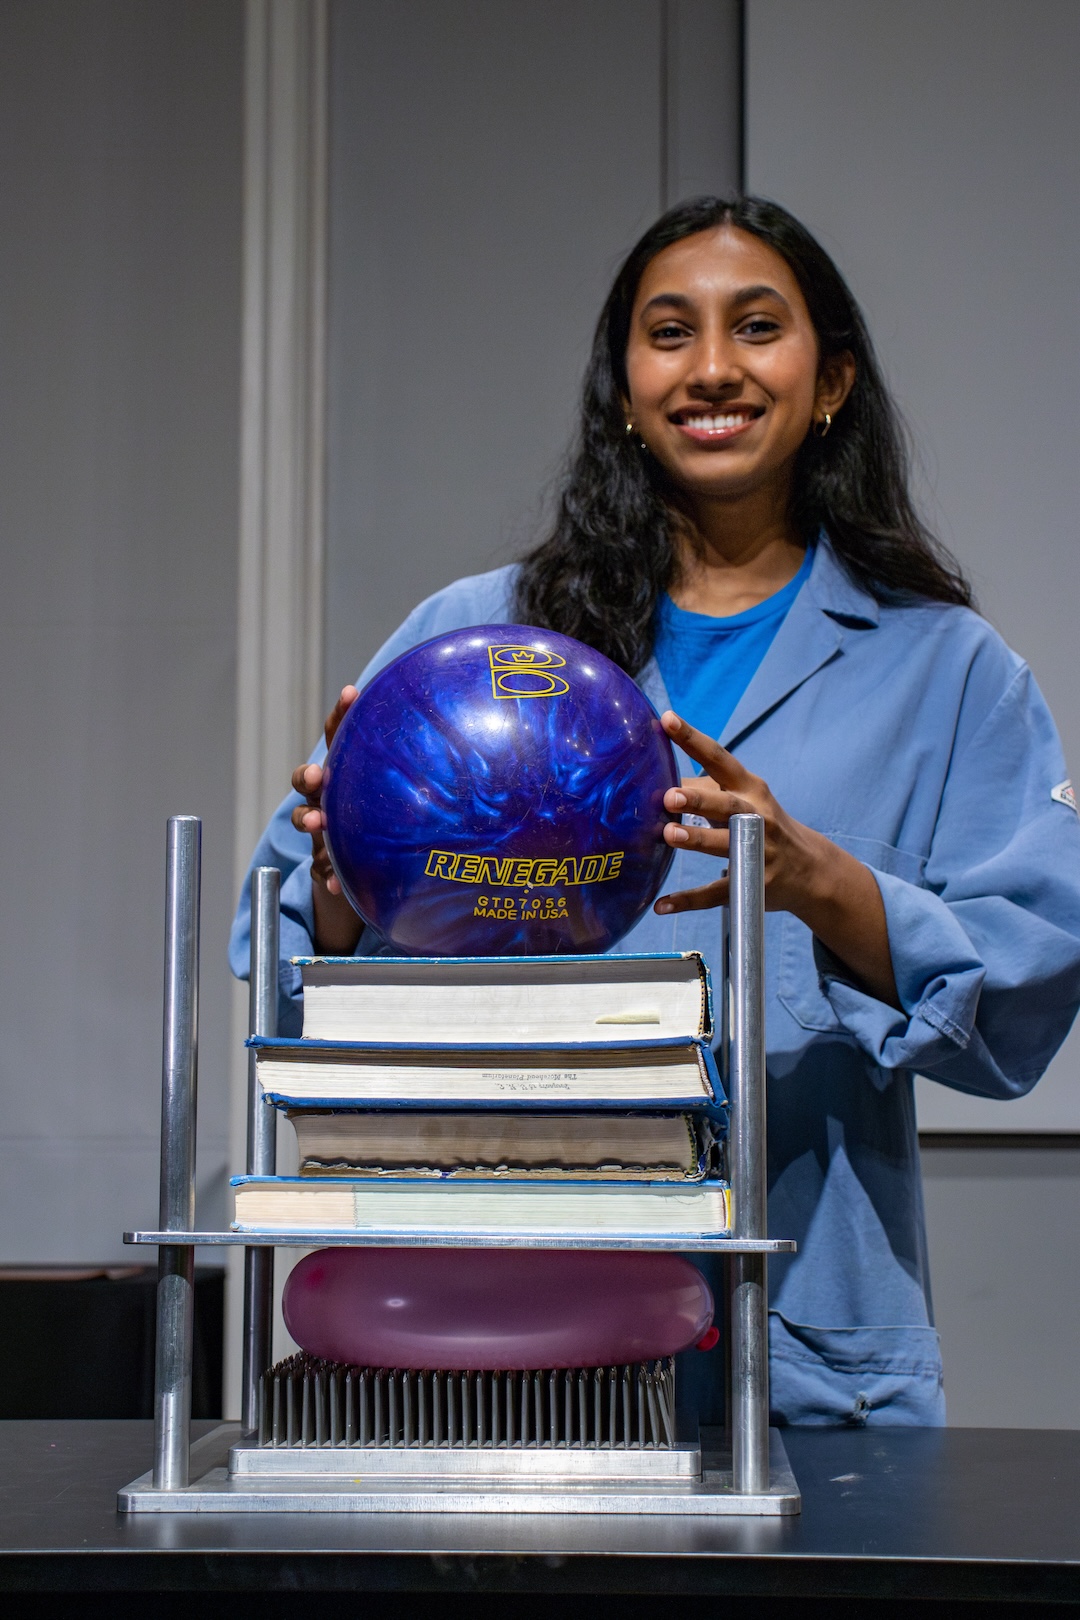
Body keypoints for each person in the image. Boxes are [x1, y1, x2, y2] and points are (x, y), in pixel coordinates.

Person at [231, 195, 1080, 1427]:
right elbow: (282, 970)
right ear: (624, 389)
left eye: (758, 328)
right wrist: (343, 883)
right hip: (497, 1321)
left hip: (795, 1351)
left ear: (830, 377)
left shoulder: (948, 671)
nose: (714, 369)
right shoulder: (475, 648)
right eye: (669, 333)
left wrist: (818, 883)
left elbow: (1028, 985)